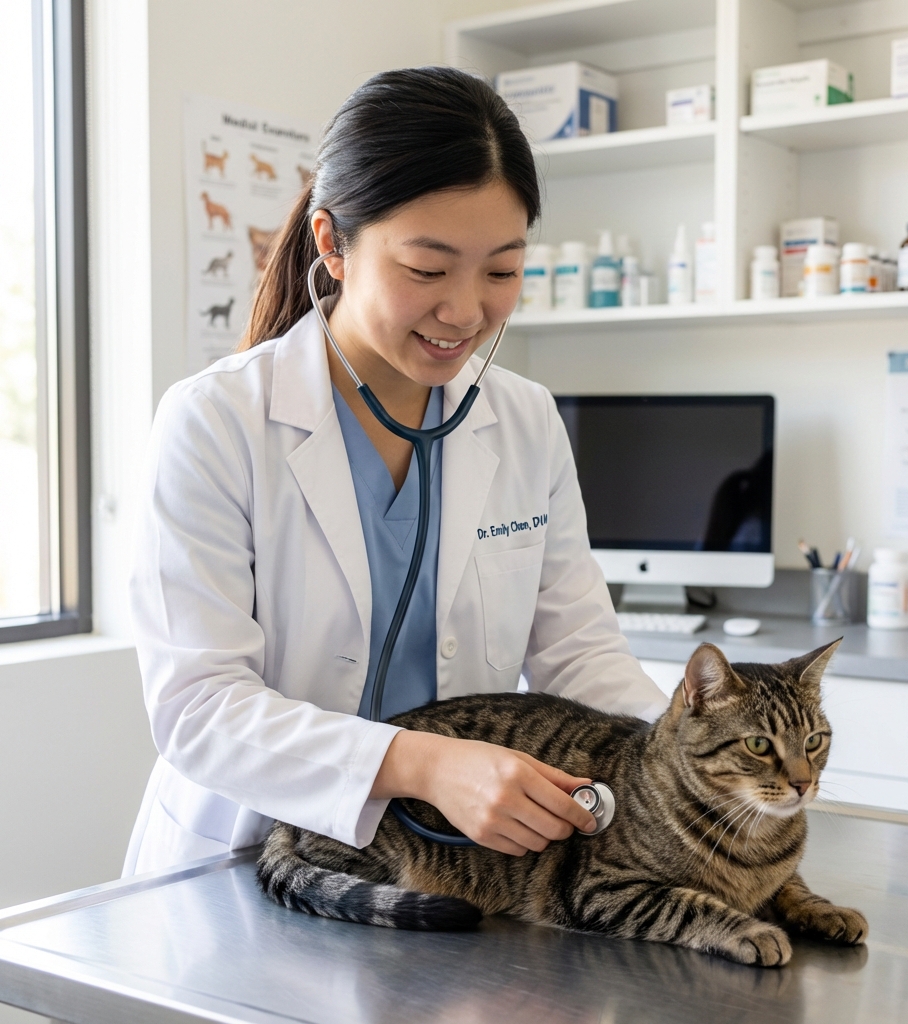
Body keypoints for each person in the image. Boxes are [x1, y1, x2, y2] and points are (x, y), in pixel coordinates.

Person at [124, 67, 667, 877]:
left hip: (449, 863)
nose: (466, 311)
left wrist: (695, 765)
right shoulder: (216, 422)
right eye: (427, 268)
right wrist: (422, 763)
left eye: (502, 270)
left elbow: (579, 655)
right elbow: (200, 707)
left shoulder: (525, 421)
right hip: (243, 858)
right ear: (331, 244)